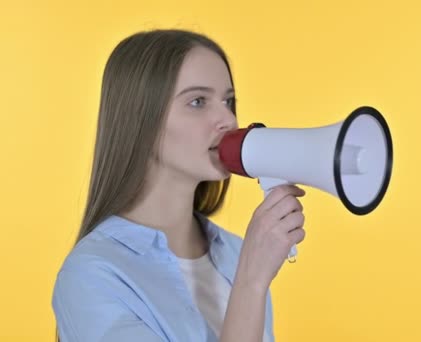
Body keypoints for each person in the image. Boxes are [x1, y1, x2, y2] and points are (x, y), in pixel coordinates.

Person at [52, 29, 306, 342]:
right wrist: (251, 282)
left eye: (229, 101)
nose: (227, 119)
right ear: (140, 119)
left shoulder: (235, 252)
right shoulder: (92, 277)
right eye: (198, 101)